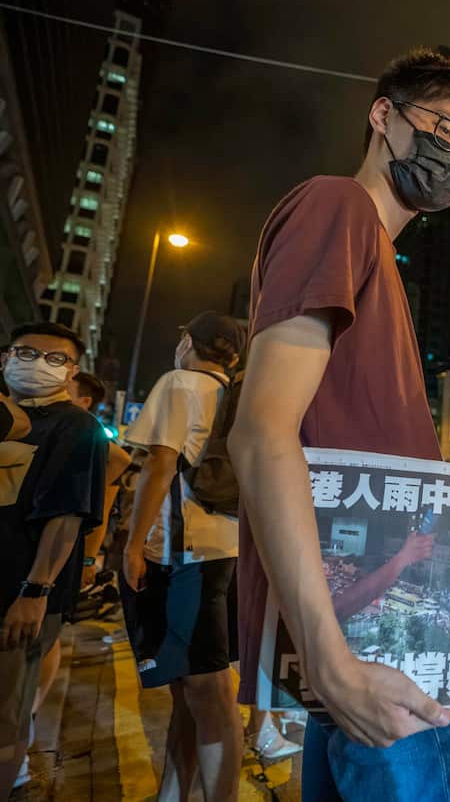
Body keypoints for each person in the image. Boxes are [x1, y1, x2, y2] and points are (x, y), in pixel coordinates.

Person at [227, 47, 450, 802]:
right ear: (383, 115)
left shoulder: (375, 256)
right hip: (369, 654)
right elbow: (260, 433)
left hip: (368, 639)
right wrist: (328, 654)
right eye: (444, 128)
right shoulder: (338, 207)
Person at [118, 311, 245, 802]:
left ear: (188, 342)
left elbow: (160, 465)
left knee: (207, 693)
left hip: (185, 554)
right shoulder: (238, 396)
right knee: (191, 690)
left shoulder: (180, 382)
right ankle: (173, 791)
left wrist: (132, 545)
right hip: (227, 550)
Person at [0, 323, 106, 797]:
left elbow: (66, 515)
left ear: (72, 372)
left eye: (54, 358)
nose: (37, 363)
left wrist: (36, 591)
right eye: (26, 352)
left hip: (17, 596)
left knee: (4, 718)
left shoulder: (76, 426)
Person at [67, 373, 132, 590]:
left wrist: (88, 560)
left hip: (63, 549)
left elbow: (101, 509)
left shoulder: (98, 449)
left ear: (84, 402)